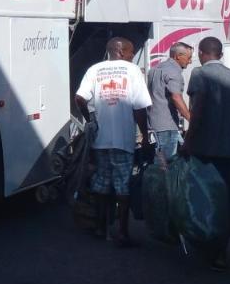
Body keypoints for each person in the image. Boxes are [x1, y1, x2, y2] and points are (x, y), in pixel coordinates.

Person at [180, 37, 230, 271]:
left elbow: (198, 109)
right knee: (226, 200)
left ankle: (206, 243)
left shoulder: (200, 74)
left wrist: (188, 142)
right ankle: (221, 252)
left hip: (205, 151)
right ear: (220, 54)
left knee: (203, 198)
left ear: (203, 53)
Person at [73, 36, 151, 246]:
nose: (132, 56)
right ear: (121, 51)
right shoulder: (132, 70)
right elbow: (140, 107)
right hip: (123, 140)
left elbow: (79, 98)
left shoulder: (95, 70)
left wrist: (90, 119)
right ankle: (123, 232)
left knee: (101, 183)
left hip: (101, 140)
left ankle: (100, 227)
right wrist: (144, 134)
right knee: (122, 186)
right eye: (131, 52)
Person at [146, 42, 192, 160]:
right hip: (167, 124)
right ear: (178, 56)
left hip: (154, 122)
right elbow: (176, 97)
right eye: (188, 57)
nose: (190, 61)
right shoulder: (173, 72)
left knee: (159, 160)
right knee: (166, 163)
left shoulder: (155, 69)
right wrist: (191, 119)